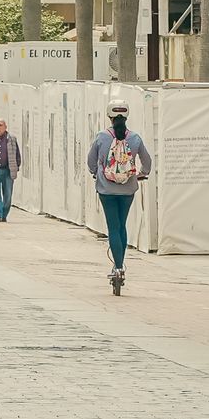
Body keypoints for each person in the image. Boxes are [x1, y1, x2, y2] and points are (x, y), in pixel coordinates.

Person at [86, 102, 153, 286]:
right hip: (128, 189)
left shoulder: (102, 137)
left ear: (109, 116)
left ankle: (117, 266)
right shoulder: (135, 138)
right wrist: (142, 174)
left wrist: (96, 173)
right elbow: (147, 161)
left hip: (106, 189)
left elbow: (91, 161)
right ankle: (120, 266)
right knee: (122, 226)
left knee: (113, 227)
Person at [0, 117, 22, 222]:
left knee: (7, 194)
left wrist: (16, 166)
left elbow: (17, 153)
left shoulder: (11, 138)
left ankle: (4, 214)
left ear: (5, 127)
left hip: (8, 170)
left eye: (1, 125)